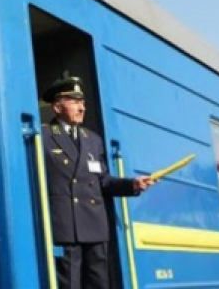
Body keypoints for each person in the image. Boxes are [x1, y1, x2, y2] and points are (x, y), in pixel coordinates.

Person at [41, 74, 153, 289]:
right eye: (74, 102)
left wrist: (132, 184)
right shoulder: (45, 136)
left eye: (82, 102)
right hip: (67, 226)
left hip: (94, 225)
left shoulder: (92, 140)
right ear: (57, 107)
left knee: (99, 283)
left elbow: (103, 181)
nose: (82, 108)